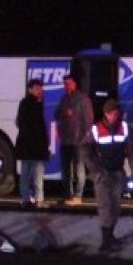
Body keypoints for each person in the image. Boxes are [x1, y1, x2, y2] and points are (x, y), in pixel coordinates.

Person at [81, 99, 133, 252]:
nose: (114, 115)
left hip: (118, 173)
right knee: (105, 206)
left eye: (116, 113)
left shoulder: (124, 128)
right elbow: (85, 151)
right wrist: (95, 170)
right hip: (102, 175)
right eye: (111, 113)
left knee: (115, 206)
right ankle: (106, 241)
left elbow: (131, 152)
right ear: (106, 114)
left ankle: (110, 236)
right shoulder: (96, 129)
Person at [53, 73, 93, 205]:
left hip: (78, 141)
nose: (67, 86)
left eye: (69, 83)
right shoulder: (64, 98)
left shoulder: (82, 99)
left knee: (79, 169)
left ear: (74, 84)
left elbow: (88, 120)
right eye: (65, 84)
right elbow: (56, 115)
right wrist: (64, 113)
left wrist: (83, 138)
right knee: (66, 170)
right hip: (65, 140)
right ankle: (68, 195)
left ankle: (78, 195)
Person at [14, 78, 49, 209]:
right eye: (37, 88)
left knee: (25, 173)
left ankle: (25, 199)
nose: (40, 90)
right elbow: (37, 126)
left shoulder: (25, 103)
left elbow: (20, 123)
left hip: (26, 145)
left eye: (41, 88)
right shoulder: (35, 104)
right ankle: (39, 200)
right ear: (30, 89)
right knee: (37, 174)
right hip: (35, 145)